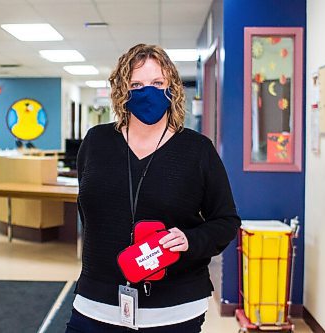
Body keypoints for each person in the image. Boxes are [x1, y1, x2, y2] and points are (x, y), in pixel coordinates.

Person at [66, 44, 241, 333]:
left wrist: (190, 239)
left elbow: (226, 221)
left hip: (174, 312)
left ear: (172, 88)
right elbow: (88, 210)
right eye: (136, 84)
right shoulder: (96, 142)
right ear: (123, 91)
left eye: (158, 83)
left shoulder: (197, 150)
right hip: (95, 305)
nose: (148, 92)